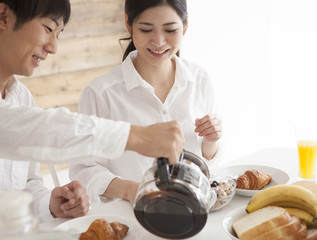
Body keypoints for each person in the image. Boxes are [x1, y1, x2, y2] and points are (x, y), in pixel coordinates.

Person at [0, 0, 184, 222]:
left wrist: (49, 204)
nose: (53, 47)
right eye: (48, 28)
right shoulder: (101, 92)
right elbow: (28, 127)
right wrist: (135, 137)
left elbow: (27, 184)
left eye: (58, 35)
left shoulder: (21, 98)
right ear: (3, 16)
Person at [70, 0, 222, 205]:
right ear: (128, 23)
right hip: (132, 218)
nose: (159, 41)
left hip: (192, 211)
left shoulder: (200, 79)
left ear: (185, 26)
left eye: (170, 29)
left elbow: (208, 166)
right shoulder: (101, 94)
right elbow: (84, 170)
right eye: (146, 29)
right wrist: (134, 191)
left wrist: (211, 141)